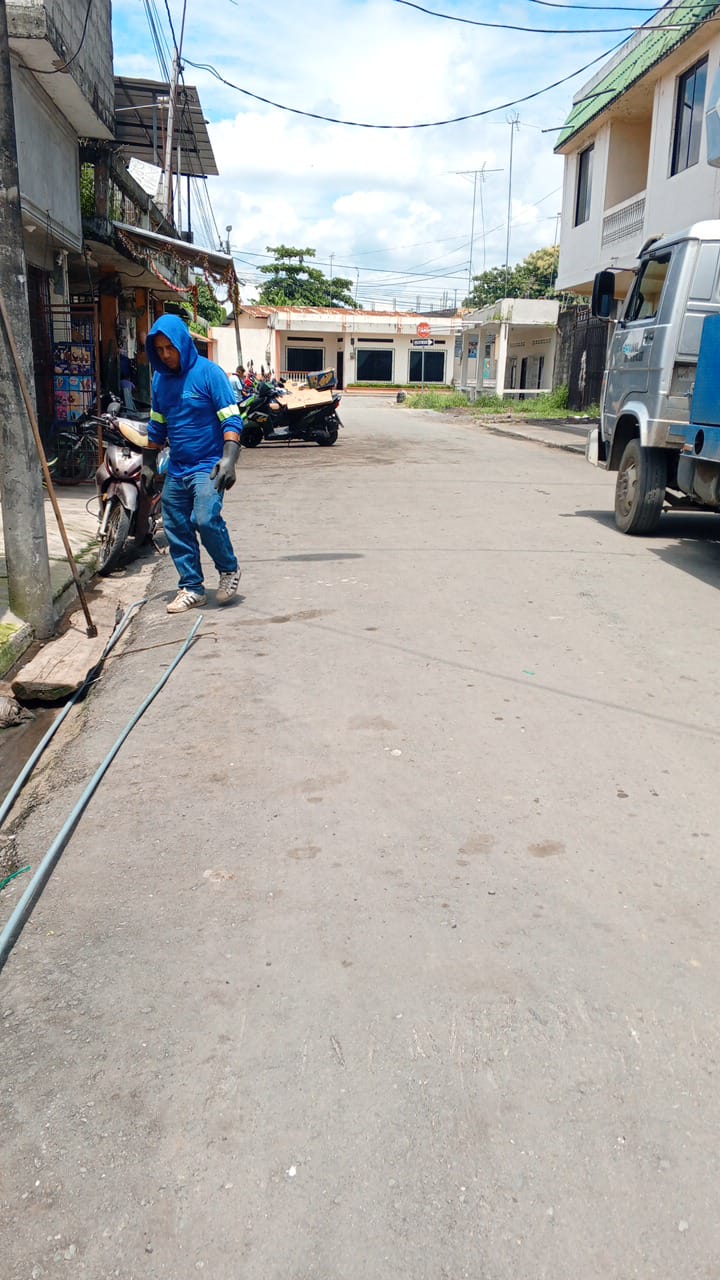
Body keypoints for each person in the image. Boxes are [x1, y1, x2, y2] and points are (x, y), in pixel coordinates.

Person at [141, 314, 242, 614]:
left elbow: (231, 419)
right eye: (159, 349)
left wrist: (229, 459)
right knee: (175, 525)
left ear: (183, 343)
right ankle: (192, 587)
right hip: (178, 467)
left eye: (169, 348)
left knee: (205, 519)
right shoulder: (160, 380)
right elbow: (157, 424)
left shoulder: (210, 374)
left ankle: (229, 569)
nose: (165, 355)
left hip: (208, 465)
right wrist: (149, 463)